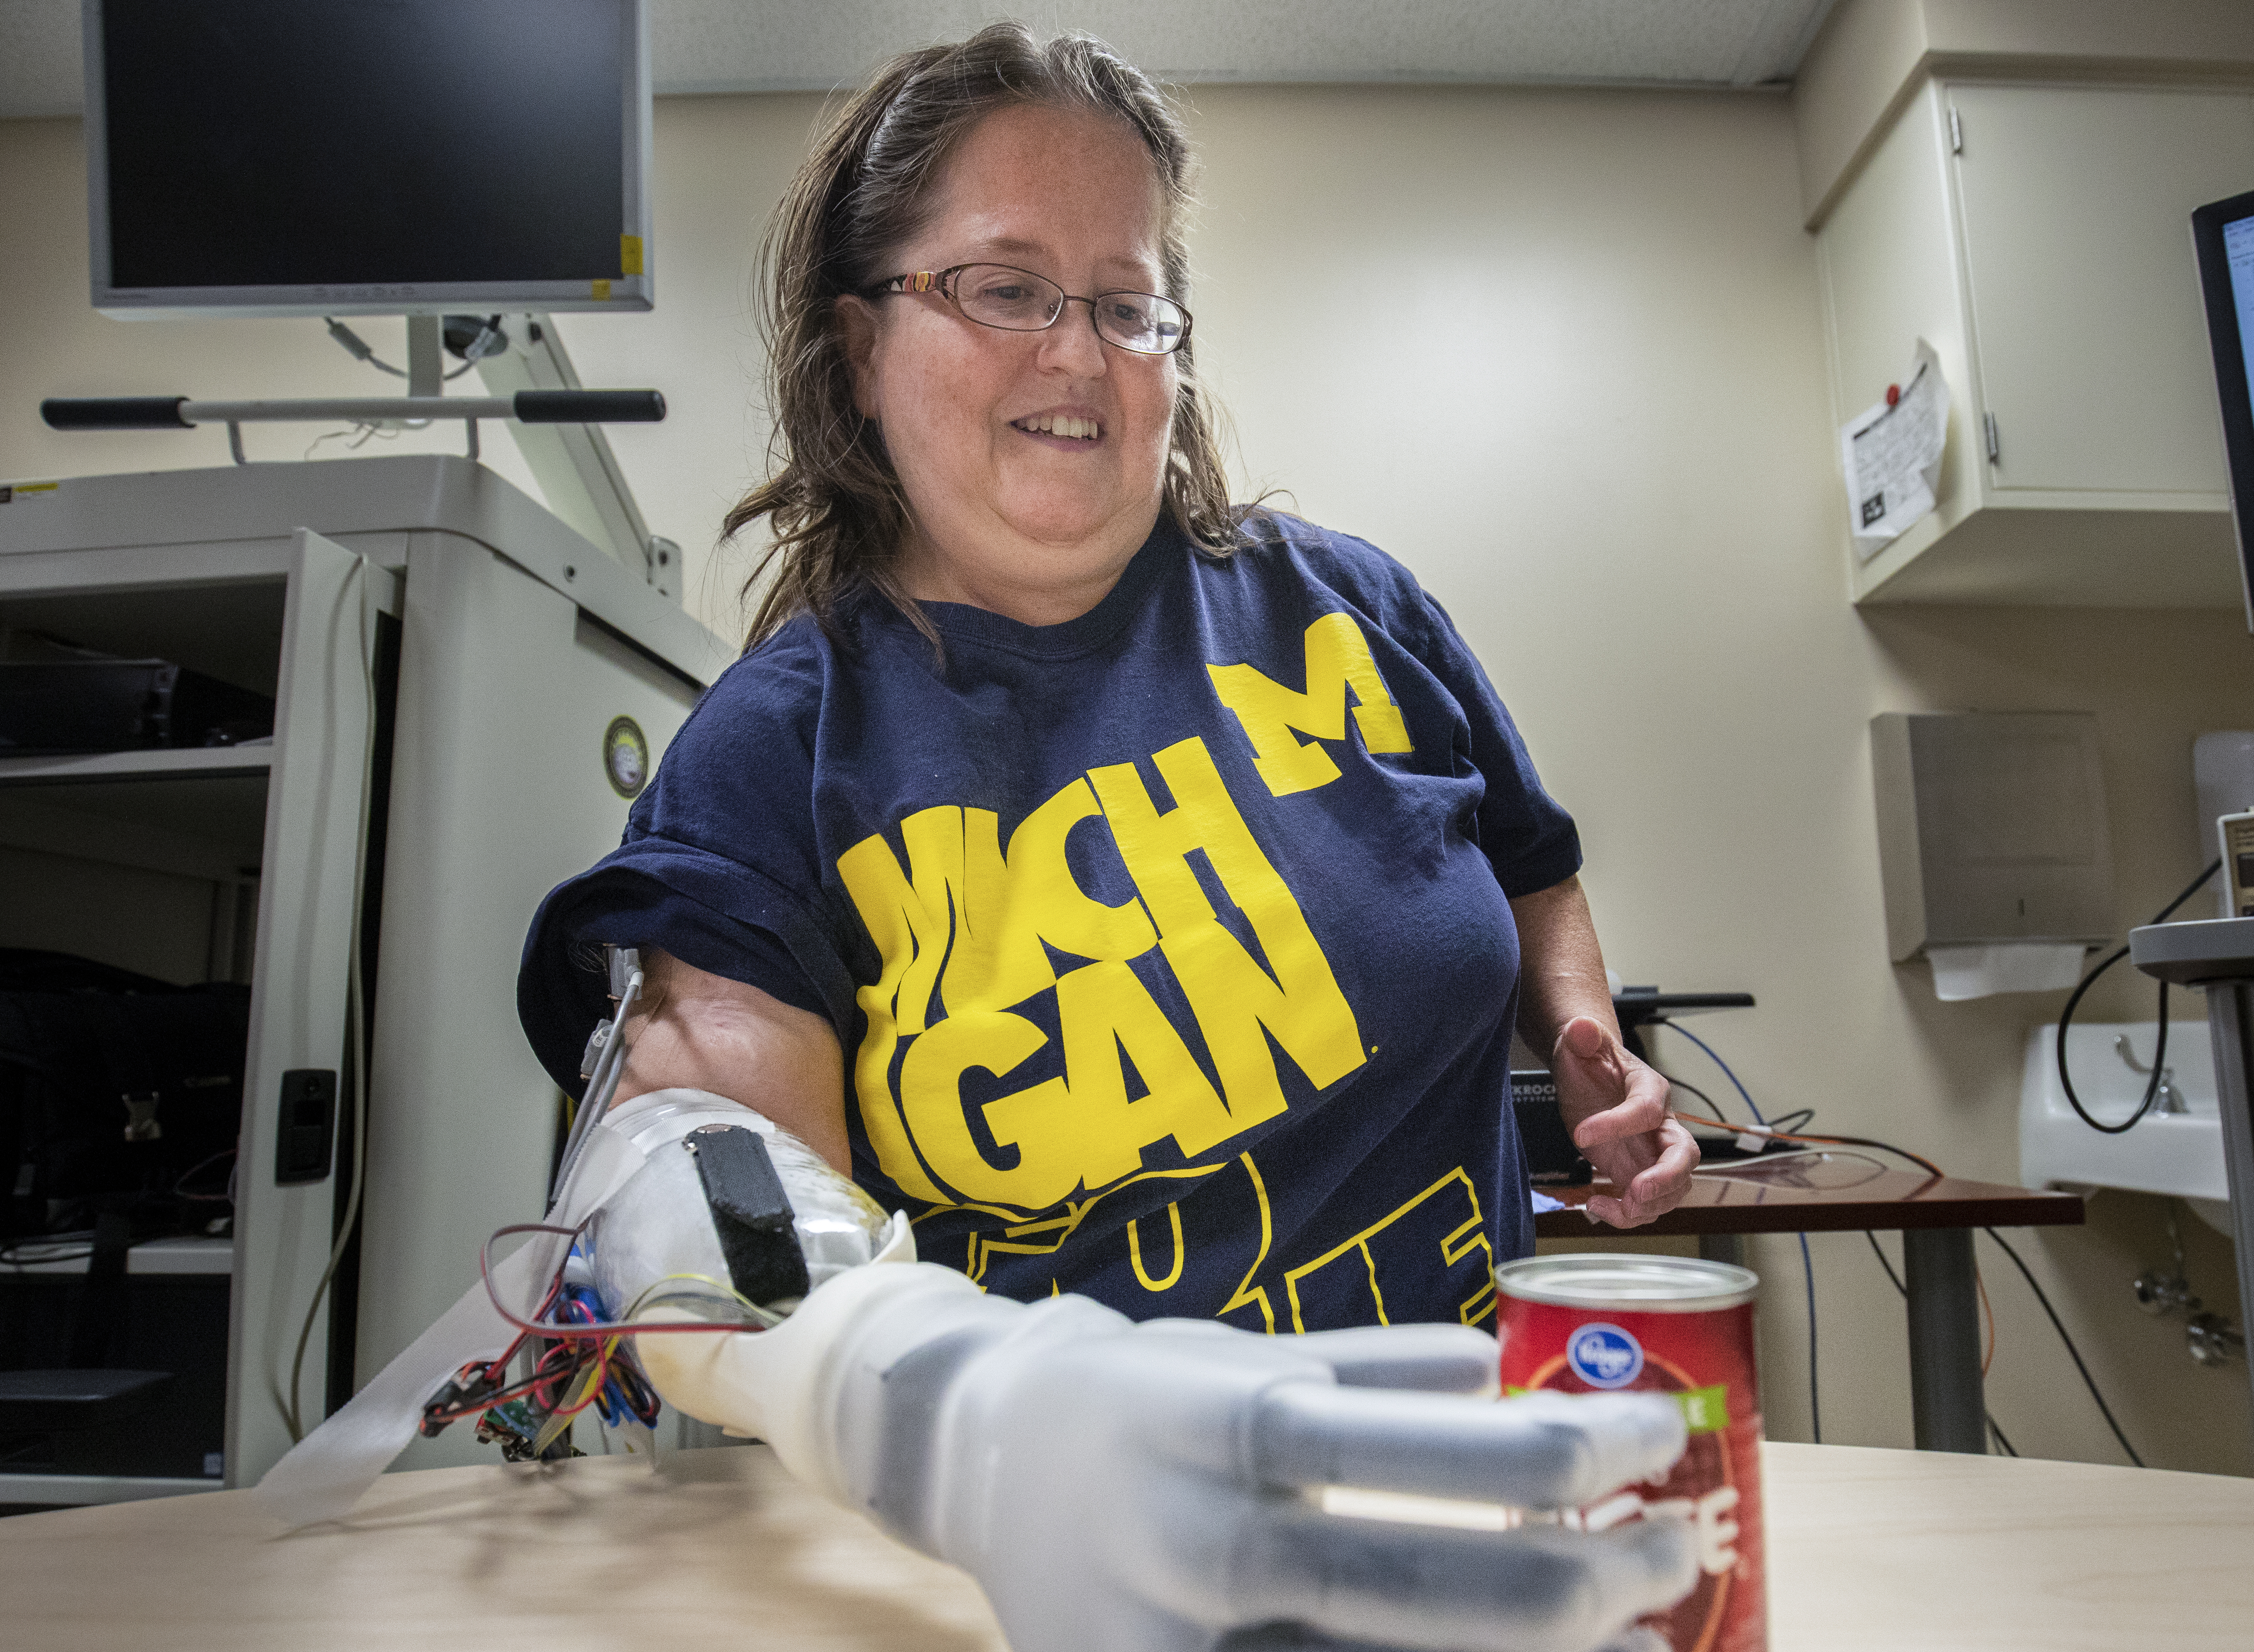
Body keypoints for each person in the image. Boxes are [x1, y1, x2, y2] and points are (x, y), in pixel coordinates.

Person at [517, 24, 1699, 1333]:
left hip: (1463, 1460)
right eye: (1004, 288)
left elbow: (1533, 872)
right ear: (858, 348)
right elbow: (777, 1298)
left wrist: (1584, 1043)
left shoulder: (1349, 611)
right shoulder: (770, 759)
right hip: (1052, 1523)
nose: (1078, 354)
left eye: (1124, 305)